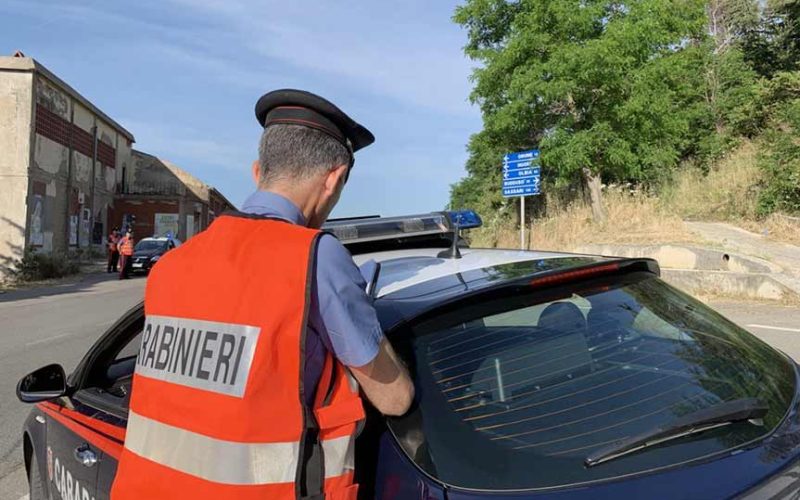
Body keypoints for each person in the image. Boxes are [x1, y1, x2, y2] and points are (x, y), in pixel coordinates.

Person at [111, 89, 414, 500]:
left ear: (257, 172)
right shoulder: (315, 258)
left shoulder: (173, 265)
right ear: (334, 178)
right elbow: (395, 398)